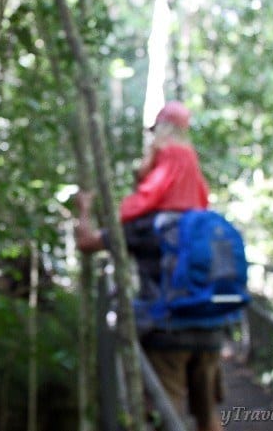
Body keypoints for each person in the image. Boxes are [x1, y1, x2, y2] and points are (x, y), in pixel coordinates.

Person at [74, 101, 224, 431]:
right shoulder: (204, 222)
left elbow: (87, 243)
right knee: (208, 416)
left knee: (165, 418)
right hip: (211, 326)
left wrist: (84, 209)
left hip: (167, 334)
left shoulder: (146, 225)